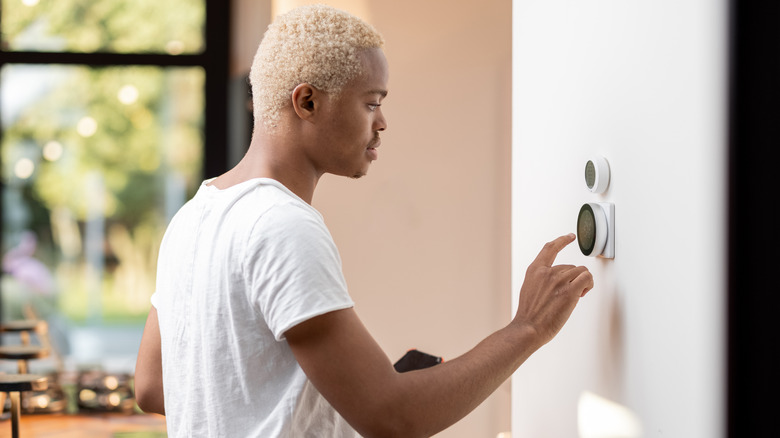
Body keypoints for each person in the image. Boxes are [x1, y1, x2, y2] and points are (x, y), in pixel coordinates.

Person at [134, 5, 594, 437]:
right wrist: (526, 328)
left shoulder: (194, 215)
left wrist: (328, 395)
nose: (383, 123)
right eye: (371, 103)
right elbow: (392, 417)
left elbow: (153, 386)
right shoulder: (282, 226)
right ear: (307, 102)